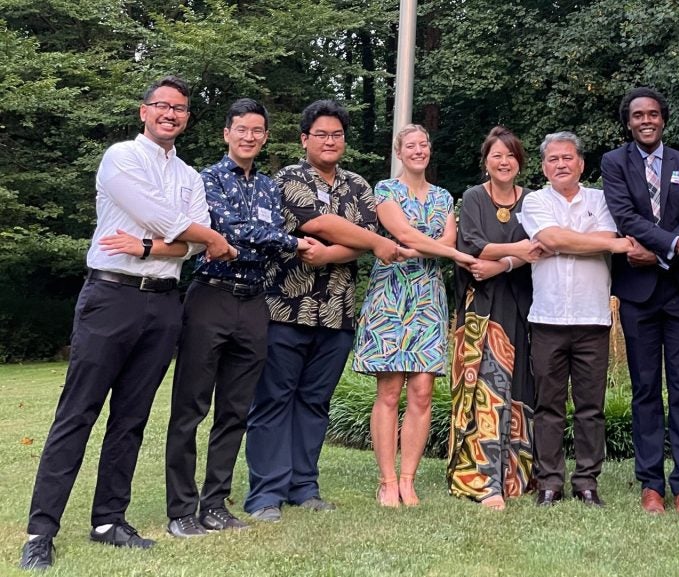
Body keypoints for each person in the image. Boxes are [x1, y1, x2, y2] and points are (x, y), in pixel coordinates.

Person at [20, 75, 236, 570]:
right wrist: (190, 237)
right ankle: (41, 531)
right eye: (162, 105)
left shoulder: (189, 176)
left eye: (180, 108)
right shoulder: (120, 158)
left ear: (186, 118)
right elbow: (173, 225)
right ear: (144, 111)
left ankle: (108, 520)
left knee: (131, 418)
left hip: (163, 303)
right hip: (110, 296)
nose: (171, 113)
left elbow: (192, 242)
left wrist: (150, 244)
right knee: (77, 413)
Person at [245, 99, 401, 522]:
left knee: (314, 402)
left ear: (344, 141)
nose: (329, 141)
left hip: (337, 313)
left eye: (336, 135)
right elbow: (317, 223)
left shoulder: (358, 186)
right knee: (274, 400)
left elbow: (367, 235)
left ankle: (304, 487)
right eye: (321, 135)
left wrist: (335, 253)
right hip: (285, 308)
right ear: (304, 139)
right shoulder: (288, 178)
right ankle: (265, 495)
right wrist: (359, 244)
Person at [164, 98, 311, 537]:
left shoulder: (269, 186)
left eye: (257, 131)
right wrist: (288, 242)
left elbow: (249, 236)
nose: (249, 137)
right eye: (241, 129)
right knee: (190, 406)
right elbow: (227, 230)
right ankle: (182, 509)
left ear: (265, 138)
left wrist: (266, 241)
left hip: (254, 303)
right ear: (226, 133)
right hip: (210, 297)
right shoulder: (205, 178)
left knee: (235, 409)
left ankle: (215, 504)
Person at [352, 124, 477, 507]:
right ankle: (387, 481)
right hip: (391, 296)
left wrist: (427, 248)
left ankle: (408, 479)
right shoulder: (385, 190)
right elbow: (405, 234)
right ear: (399, 152)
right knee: (389, 391)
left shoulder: (443, 197)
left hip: (427, 297)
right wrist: (445, 253)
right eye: (411, 146)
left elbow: (443, 241)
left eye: (424, 145)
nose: (419, 150)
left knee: (422, 390)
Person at [601, 88, 679, 514]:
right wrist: (677, 246)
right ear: (628, 122)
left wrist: (664, 250)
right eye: (637, 115)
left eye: (653, 114)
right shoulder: (614, 163)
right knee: (646, 389)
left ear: (664, 119)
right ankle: (651, 485)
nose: (646, 120)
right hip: (638, 293)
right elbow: (624, 216)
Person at [519, 131, 633, 508]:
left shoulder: (601, 200)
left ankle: (586, 480)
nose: (561, 164)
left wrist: (586, 240)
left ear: (581, 164)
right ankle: (550, 481)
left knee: (590, 407)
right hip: (548, 318)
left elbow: (596, 235)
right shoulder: (534, 200)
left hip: (592, 317)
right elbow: (550, 238)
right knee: (548, 406)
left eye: (568, 158)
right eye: (553, 159)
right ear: (544, 166)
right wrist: (604, 243)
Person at [447, 127, 544, 511]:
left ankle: (516, 475)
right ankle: (482, 481)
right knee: (485, 390)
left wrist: (503, 261)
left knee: (521, 389)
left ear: (520, 161)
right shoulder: (473, 197)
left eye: (510, 155)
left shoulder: (534, 201)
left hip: (526, 306)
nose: (503, 162)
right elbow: (471, 245)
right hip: (483, 310)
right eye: (496, 156)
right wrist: (520, 250)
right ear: (485, 161)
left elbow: (542, 248)